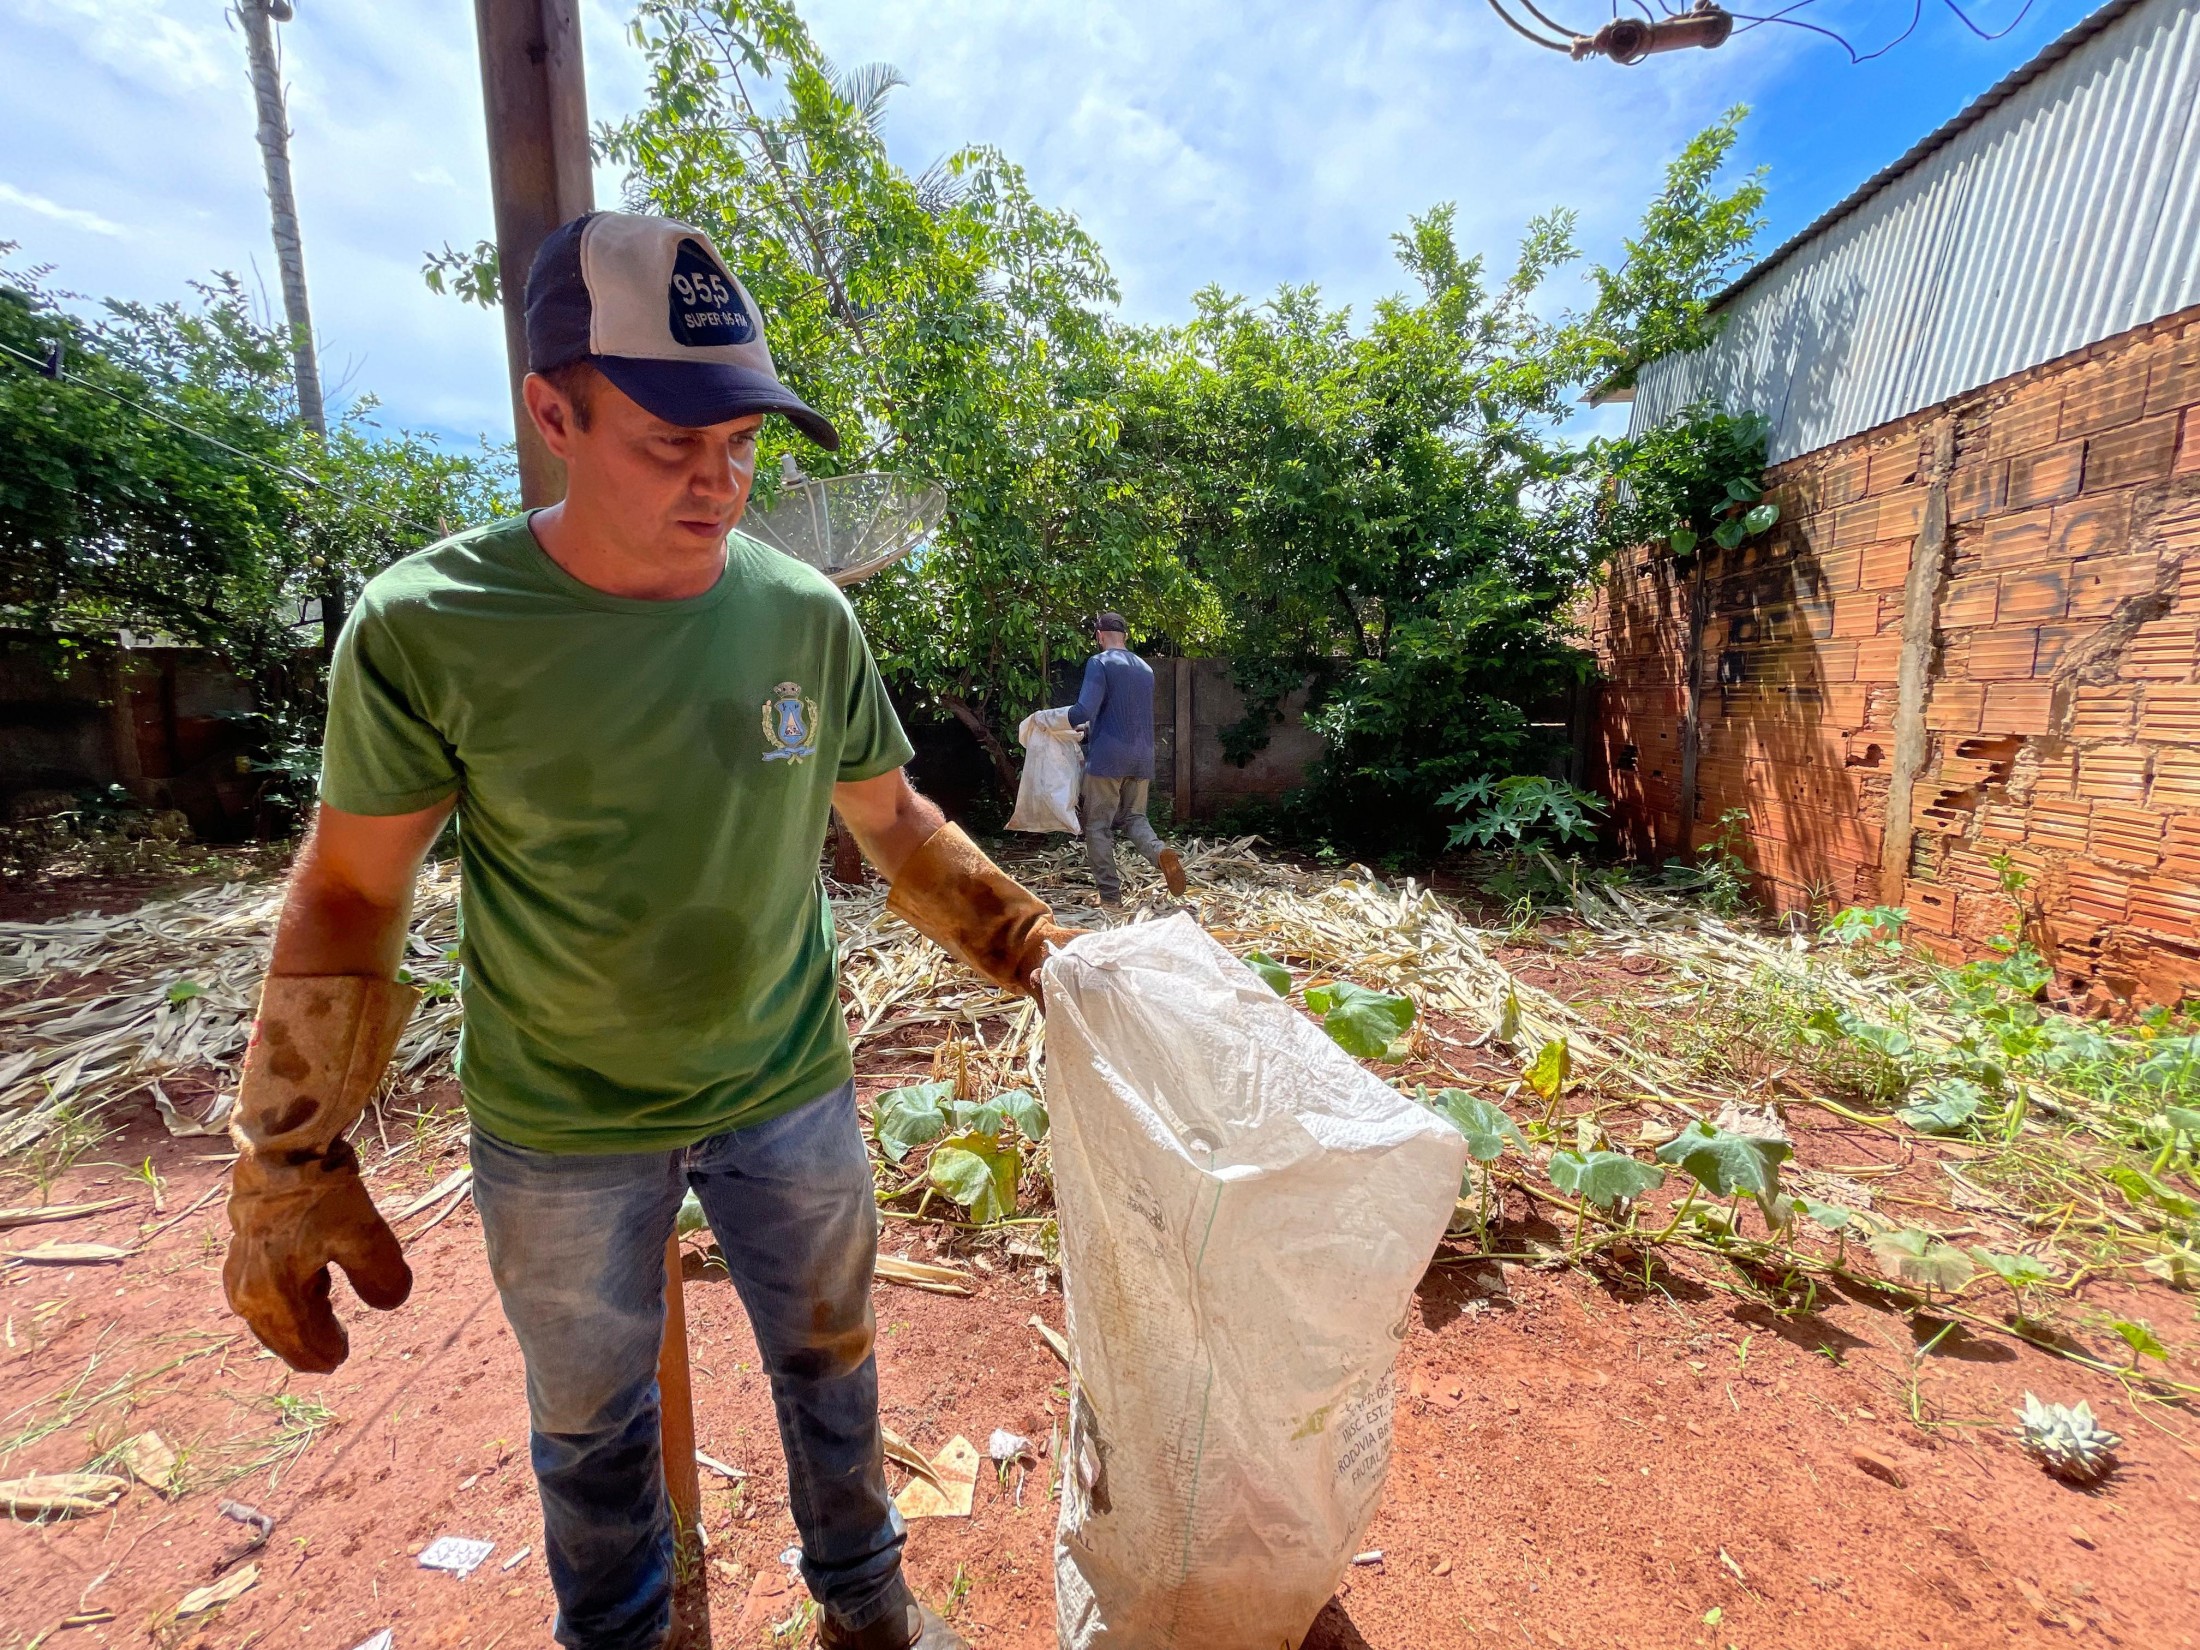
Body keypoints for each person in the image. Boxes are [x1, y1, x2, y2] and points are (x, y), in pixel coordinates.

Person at [218, 212, 1080, 1650]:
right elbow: (354, 890)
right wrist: (285, 1150)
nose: (718, 481)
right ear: (552, 414)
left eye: (739, 442)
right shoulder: (432, 623)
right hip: (560, 1117)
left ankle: (866, 1606)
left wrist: (1043, 956)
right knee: (590, 1423)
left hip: (786, 1084)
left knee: (834, 1367)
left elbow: (892, 820)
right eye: (670, 440)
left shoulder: (803, 616)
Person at [1068, 613, 1187, 909]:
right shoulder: (1145, 668)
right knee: (1135, 818)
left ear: (1099, 635)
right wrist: (1089, 729)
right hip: (1142, 757)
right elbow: (1120, 714)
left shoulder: (1099, 663)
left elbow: (1083, 710)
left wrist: (1050, 720)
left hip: (1107, 758)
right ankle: (1159, 853)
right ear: (1126, 636)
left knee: (1098, 826)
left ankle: (1110, 897)